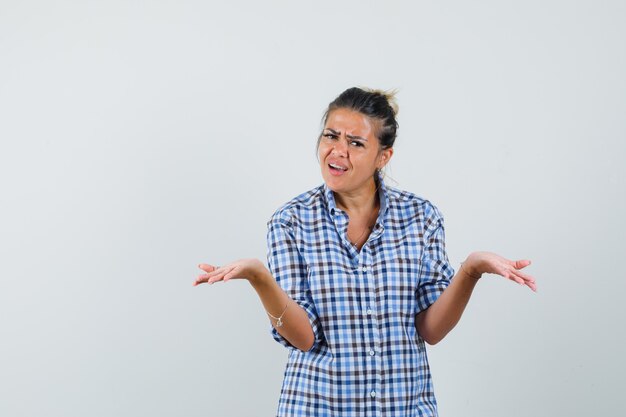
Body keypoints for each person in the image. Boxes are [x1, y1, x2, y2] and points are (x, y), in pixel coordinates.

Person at [193, 87, 536, 417]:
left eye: (355, 143)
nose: (338, 151)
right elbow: (304, 337)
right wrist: (259, 277)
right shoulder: (291, 221)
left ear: (383, 157)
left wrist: (470, 270)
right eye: (331, 136)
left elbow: (431, 329)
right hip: (316, 407)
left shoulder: (422, 217)